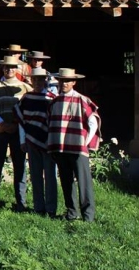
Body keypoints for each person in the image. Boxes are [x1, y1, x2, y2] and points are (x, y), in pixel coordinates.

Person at [47, 68, 101, 222]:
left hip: (78, 149)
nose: (64, 83)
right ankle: (72, 212)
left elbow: (93, 122)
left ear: (74, 82)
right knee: (66, 181)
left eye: (68, 81)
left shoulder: (82, 100)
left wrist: (85, 141)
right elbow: (50, 123)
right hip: (61, 148)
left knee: (84, 182)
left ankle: (88, 215)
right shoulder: (55, 102)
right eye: (62, 80)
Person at [0, 55, 33, 211]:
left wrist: (14, 124)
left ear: (17, 69)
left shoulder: (26, 88)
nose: (10, 70)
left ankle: (21, 201)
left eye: (13, 67)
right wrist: (2, 124)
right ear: (3, 68)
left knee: (20, 166)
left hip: (17, 131)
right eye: (7, 67)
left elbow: (28, 111)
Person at [14, 67, 57, 217]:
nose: (38, 82)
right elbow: (22, 121)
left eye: (41, 79)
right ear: (31, 81)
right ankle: (38, 206)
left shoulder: (51, 99)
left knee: (50, 176)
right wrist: (22, 140)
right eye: (35, 79)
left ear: (45, 80)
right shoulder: (27, 98)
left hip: (48, 143)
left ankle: (51, 208)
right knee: (36, 175)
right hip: (31, 141)